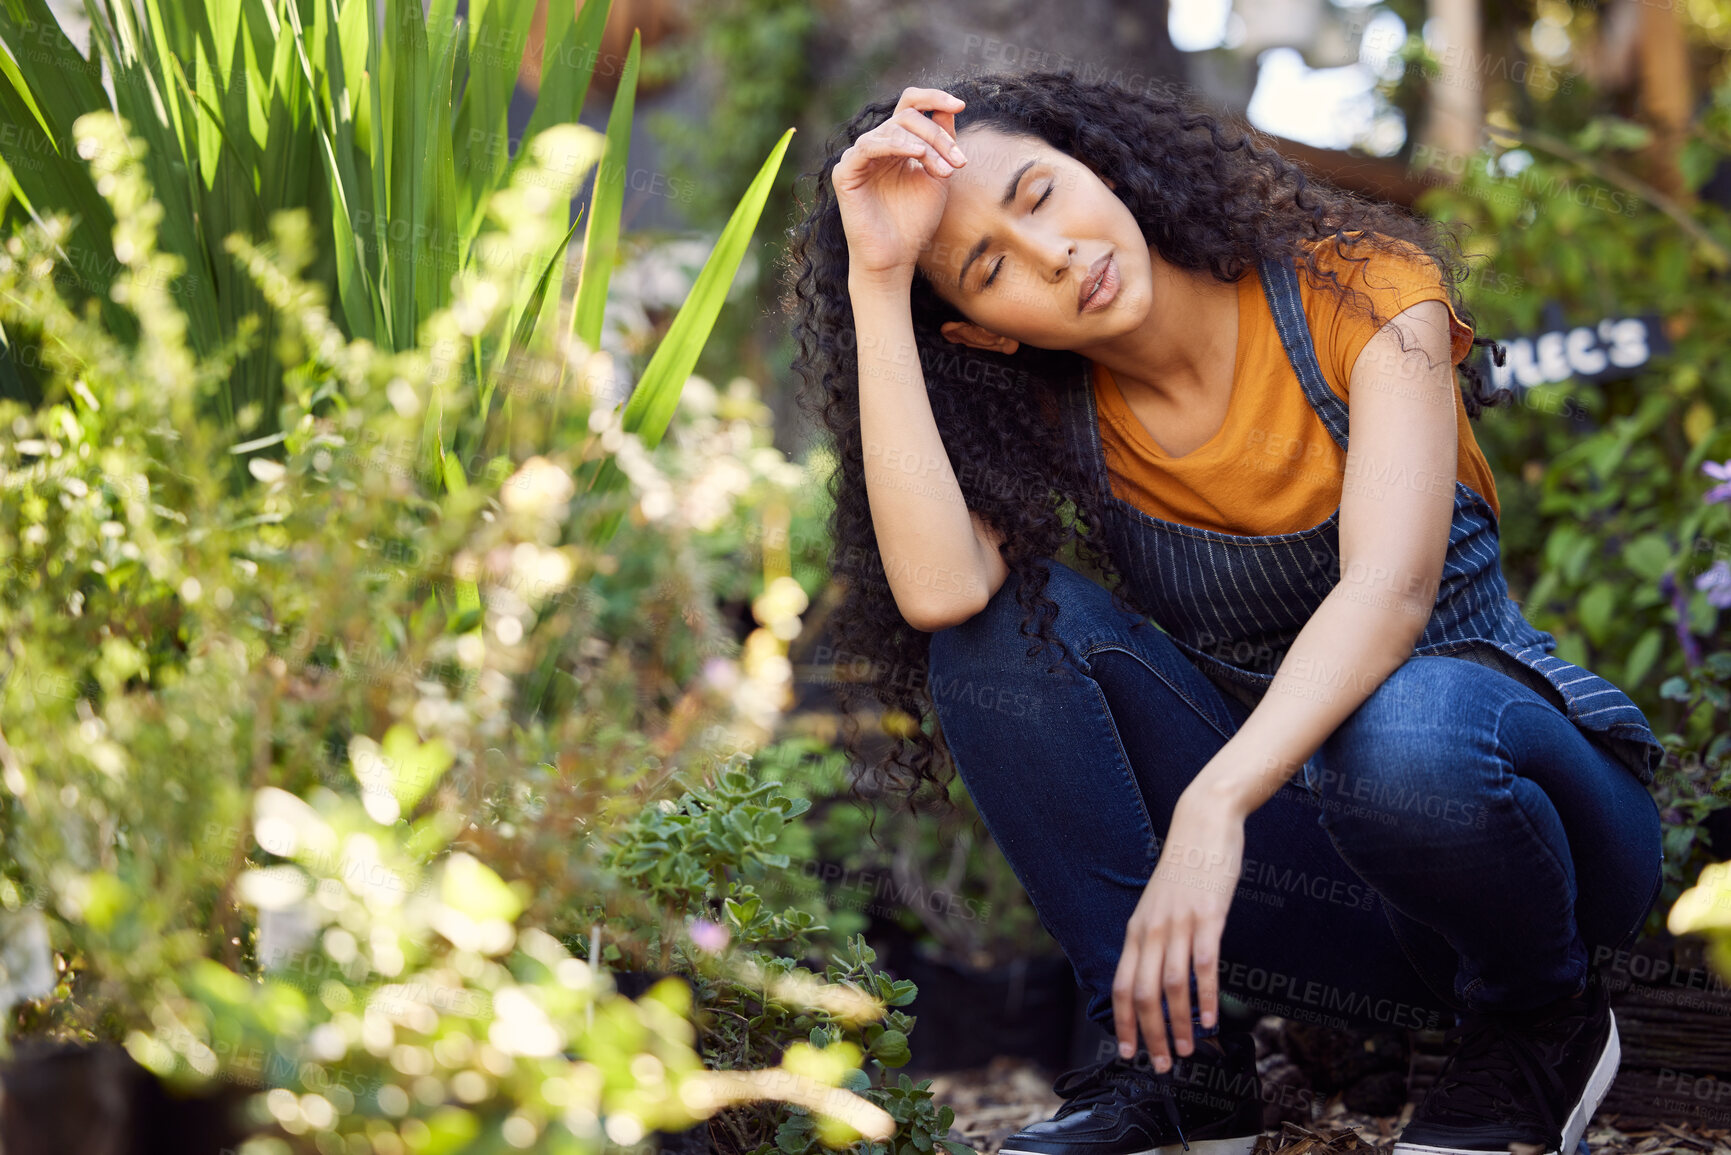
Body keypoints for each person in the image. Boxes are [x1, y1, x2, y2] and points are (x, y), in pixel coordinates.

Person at [782, 69, 1666, 1155]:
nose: (1052, 255)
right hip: (1337, 894)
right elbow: (940, 594)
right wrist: (880, 280)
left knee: (1411, 731)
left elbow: (1388, 595)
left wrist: (1215, 805)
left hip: (1538, 836)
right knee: (998, 632)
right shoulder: (1062, 423)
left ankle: (1542, 1019)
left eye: (1040, 194)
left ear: (1098, 164)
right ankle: (1175, 1069)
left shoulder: (1360, 287)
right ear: (981, 334)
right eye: (990, 269)